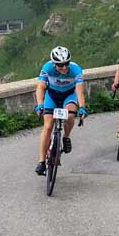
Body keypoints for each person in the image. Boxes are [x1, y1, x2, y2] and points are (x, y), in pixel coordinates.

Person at [33, 46, 87, 175]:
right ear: (54, 63)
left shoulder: (75, 69)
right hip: (52, 96)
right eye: (60, 65)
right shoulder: (47, 68)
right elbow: (40, 87)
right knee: (48, 126)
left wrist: (82, 108)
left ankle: (66, 137)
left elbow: (79, 91)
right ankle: (41, 162)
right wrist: (40, 104)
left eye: (66, 63)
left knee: (69, 116)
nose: (64, 67)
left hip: (68, 95)